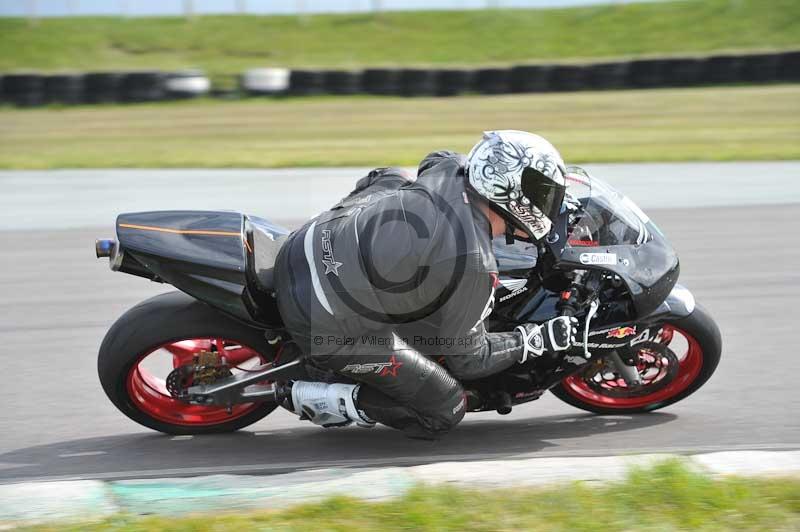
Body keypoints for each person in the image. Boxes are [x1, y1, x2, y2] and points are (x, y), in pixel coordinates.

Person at [273, 130, 579, 439]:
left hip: (309, 239)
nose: (547, 202)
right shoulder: (474, 264)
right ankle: (318, 393)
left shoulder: (450, 168)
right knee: (445, 408)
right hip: (321, 319)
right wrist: (532, 339)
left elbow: (435, 157)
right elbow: (469, 359)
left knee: (392, 177)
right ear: (509, 191)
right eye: (542, 194)